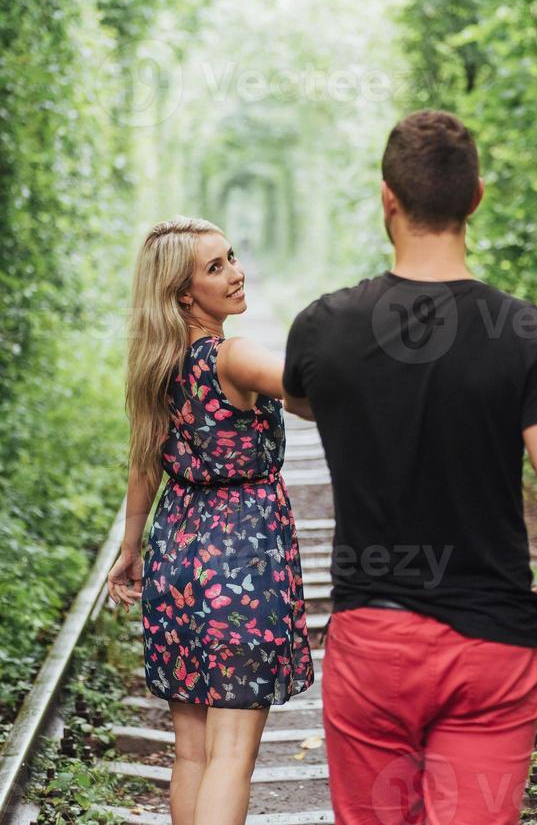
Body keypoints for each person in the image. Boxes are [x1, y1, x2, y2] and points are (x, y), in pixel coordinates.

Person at [282, 110, 537, 825]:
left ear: (386, 198)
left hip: (374, 642)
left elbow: (306, 401)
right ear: (476, 197)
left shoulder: (323, 327)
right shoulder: (529, 334)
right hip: (489, 643)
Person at [107, 216, 314, 825]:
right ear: (183, 294)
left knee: (192, 754)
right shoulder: (235, 355)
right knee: (230, 756)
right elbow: (310, 393)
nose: (236, 272)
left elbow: (145, 461)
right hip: (243, 559)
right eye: (215, 267)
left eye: (232, 257)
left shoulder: (157, 365)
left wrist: (131, 547)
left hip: (177, 553)